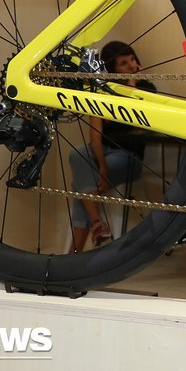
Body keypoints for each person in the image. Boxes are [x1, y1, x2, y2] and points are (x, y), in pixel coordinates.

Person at [69, 40, 157, 253]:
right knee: (77, 154)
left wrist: (133, 86)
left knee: (81, 189)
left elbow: (141, 122)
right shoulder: (104, 93)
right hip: (103, 154)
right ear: (112, 70)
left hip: (128, 156)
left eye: (132, 59)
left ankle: (77, 250)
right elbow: (95, 136)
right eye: (123, 64)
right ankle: (97, 224)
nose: (131, 66)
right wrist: (102, 167)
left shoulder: (147, 89)